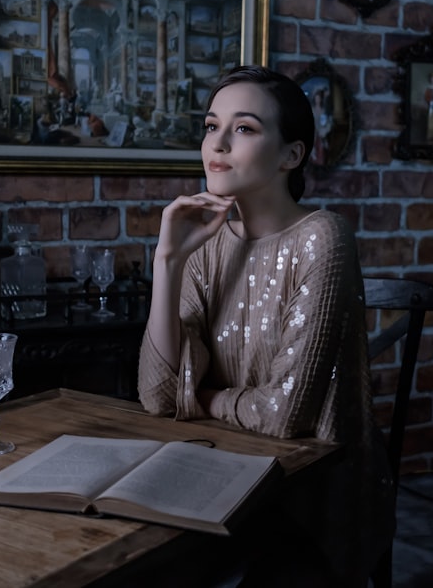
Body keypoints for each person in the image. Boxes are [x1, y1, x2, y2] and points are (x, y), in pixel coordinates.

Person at [137, 65, 394, 586]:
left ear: (291, 155)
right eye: (212, 126)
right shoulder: (204, 245)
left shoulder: (323, 237)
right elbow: (158, 397)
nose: (220, 143)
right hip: (223, 477)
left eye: (245, 128)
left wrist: (204, 398)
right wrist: (167, 260)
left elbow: (284, 416)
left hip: (309, 501)